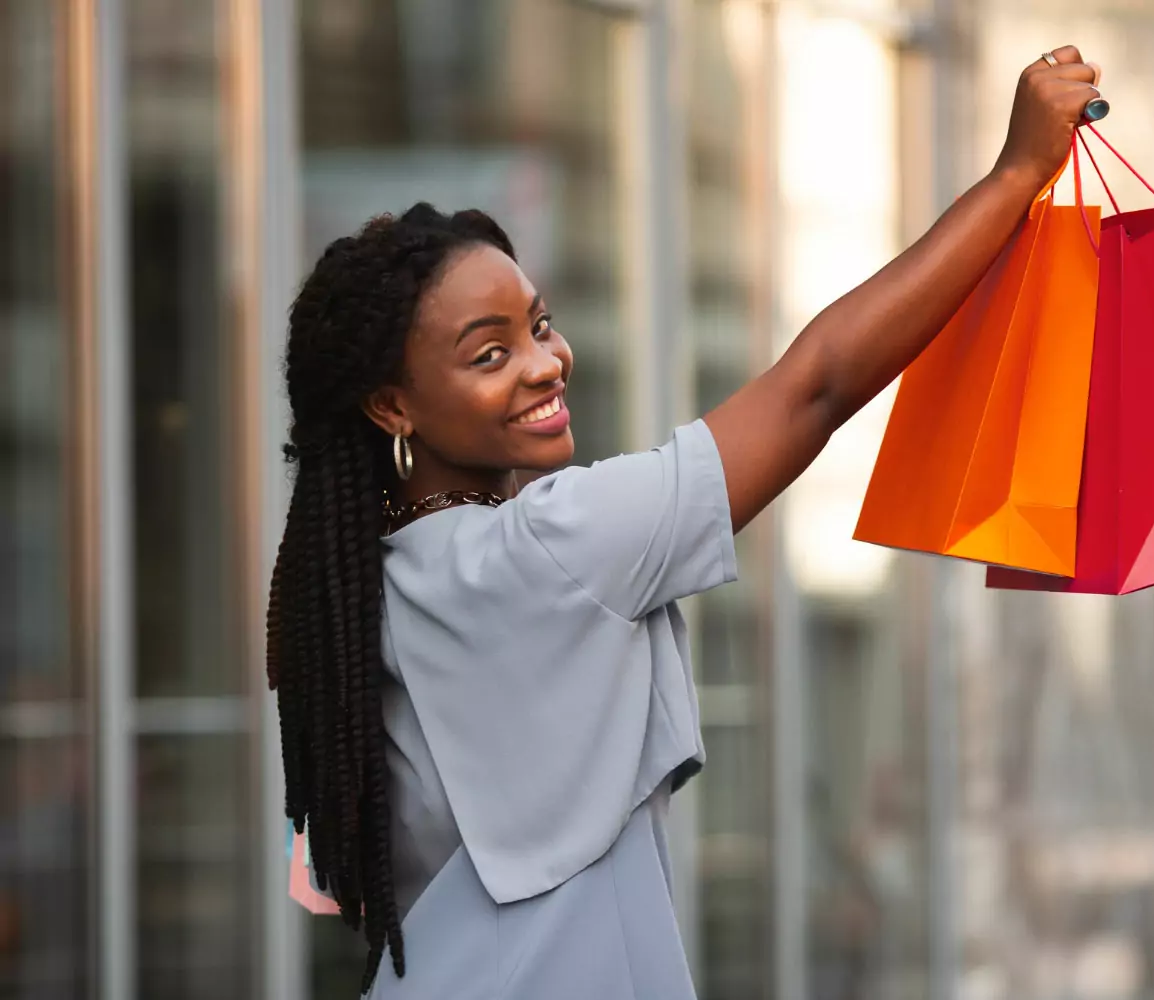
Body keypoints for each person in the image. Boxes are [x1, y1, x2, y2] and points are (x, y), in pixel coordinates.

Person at [267, 46, 1105, 998]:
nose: (544, 365)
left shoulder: (368, 589)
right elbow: (816, 385)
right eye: (488, 352)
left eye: (538, 327)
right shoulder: (554, 545)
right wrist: (1013, 178)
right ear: (393, 407)